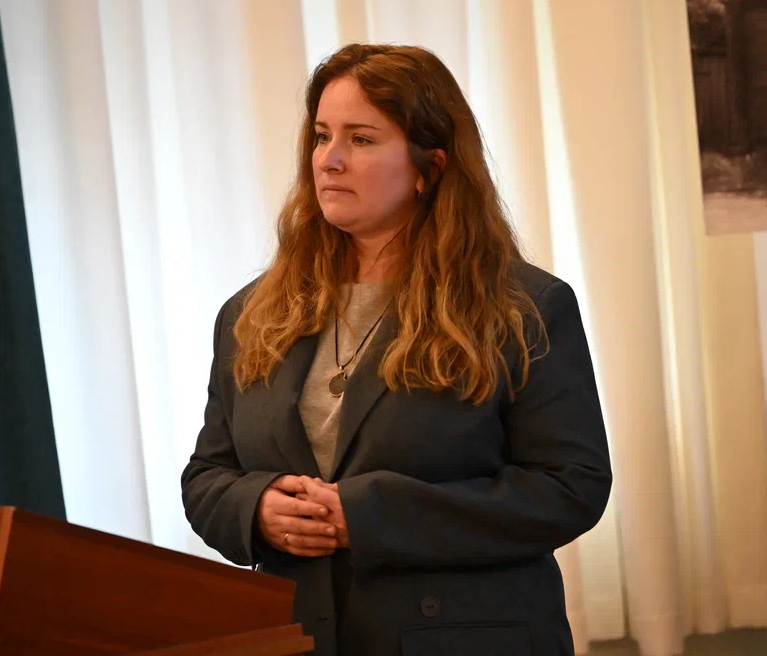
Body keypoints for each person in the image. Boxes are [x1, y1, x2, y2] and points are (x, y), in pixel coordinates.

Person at [181, 43, 612, 656]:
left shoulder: (522, 307)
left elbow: (571, 487)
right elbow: (207, 477)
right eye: (322, 136)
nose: (329, 160)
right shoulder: (250, 314)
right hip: (302, 637)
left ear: (428, 169)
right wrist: (255, 510)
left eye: (360, 139)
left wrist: (372, 514)